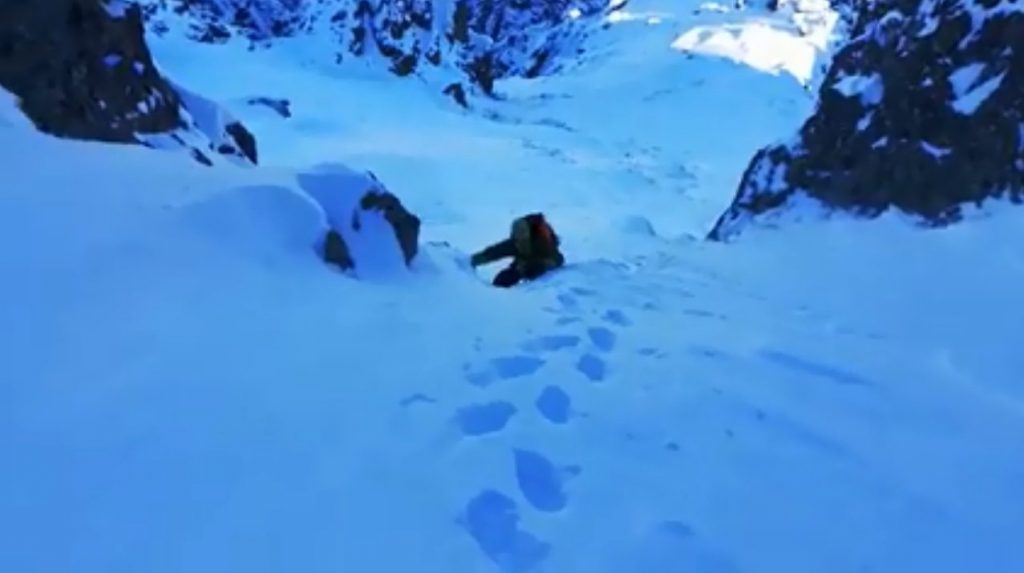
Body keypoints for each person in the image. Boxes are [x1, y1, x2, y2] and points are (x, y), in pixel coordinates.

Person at [470, 213, 565, 287]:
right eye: (517, 239)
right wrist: (472, 261)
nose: (520, 242)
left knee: (530, 271)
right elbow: (495, 252)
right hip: (524, 264)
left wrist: (540, 265)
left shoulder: (543, 241)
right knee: (503, 279)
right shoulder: (514, 243)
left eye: (523, 239)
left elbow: (558, 259)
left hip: (541, 266)